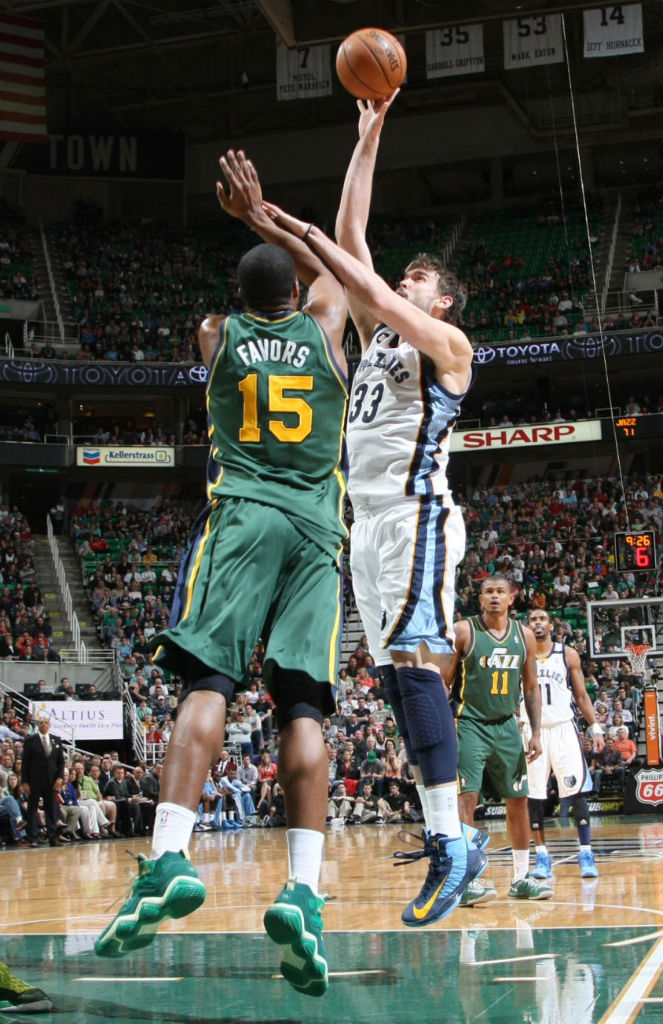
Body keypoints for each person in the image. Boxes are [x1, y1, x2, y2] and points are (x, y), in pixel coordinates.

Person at [94, 146, 349, 1001]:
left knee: (207, 686)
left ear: (240, 301)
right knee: (304, 705)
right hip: (317, 532)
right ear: (297, 298)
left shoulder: (216, 337)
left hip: (241, 518)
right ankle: (305, 896)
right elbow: (334, 273)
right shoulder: (327, 327)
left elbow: (250, 303)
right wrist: (262, 213)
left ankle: (170, 854)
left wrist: (239, 225)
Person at [268, 95, 484, 927]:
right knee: (398, 677)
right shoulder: (381, 337)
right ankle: (444, 837)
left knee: (416, 662)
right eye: (405, 277)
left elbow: (353, 268)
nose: (403, 282)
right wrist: (370, 133)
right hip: (368, 524)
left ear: (442, 305)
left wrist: (309, 241)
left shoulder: (448, 349)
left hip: (416, 514)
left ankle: (452, 840)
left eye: (419, 281)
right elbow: (354, 241)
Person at [445, 575, 552, 904]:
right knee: (467, 801)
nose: (494, 597)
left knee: (518, 801)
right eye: (488, 592)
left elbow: (531, 687)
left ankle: (520, 878)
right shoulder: (465, 631)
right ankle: (466, 879)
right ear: (480, 599)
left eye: (499, 592)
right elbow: (445, 684)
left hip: (508, 726)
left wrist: (535, 731)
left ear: (511, 598)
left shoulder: (523, 636)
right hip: (470, 724)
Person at [524, 608, 605, 880]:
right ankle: (542, 857)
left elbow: (581, 695)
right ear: (528, 625)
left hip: (563, 729)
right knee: (534, 796)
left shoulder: (567, 654)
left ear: (551, 625)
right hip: (533, 732)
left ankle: (586, 853)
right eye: (533, 619)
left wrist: (595, 727)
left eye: (542, 619)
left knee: (576, 792)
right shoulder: (521, 656)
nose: (537, 623)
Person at [21, 713, 66, 847]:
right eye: (41, 722)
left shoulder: (56, 740)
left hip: (51, 781)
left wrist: (60, 777)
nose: (43, 724)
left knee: (51, 810)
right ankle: (34, 838)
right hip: (34, 781)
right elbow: (25, 763)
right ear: (37, 725)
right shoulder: (30, 740)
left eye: (45, 722)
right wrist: (25, 781)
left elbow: (61, 762)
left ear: (49, 725)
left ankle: (53, 837)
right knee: (32, 809)